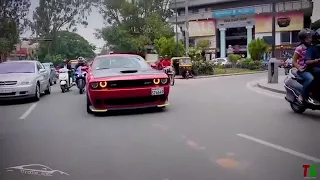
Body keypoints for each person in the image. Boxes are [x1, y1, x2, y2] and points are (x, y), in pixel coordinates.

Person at [292, 28, 314, 104]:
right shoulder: (299, 48)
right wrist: (299, 67)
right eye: (308, 38)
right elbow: (294, 61)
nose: (310, 39)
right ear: (303, 39)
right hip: (303, 70)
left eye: (311, 37)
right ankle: (302, 95)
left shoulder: (312, 47)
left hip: (312, 68)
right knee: (310, 79)